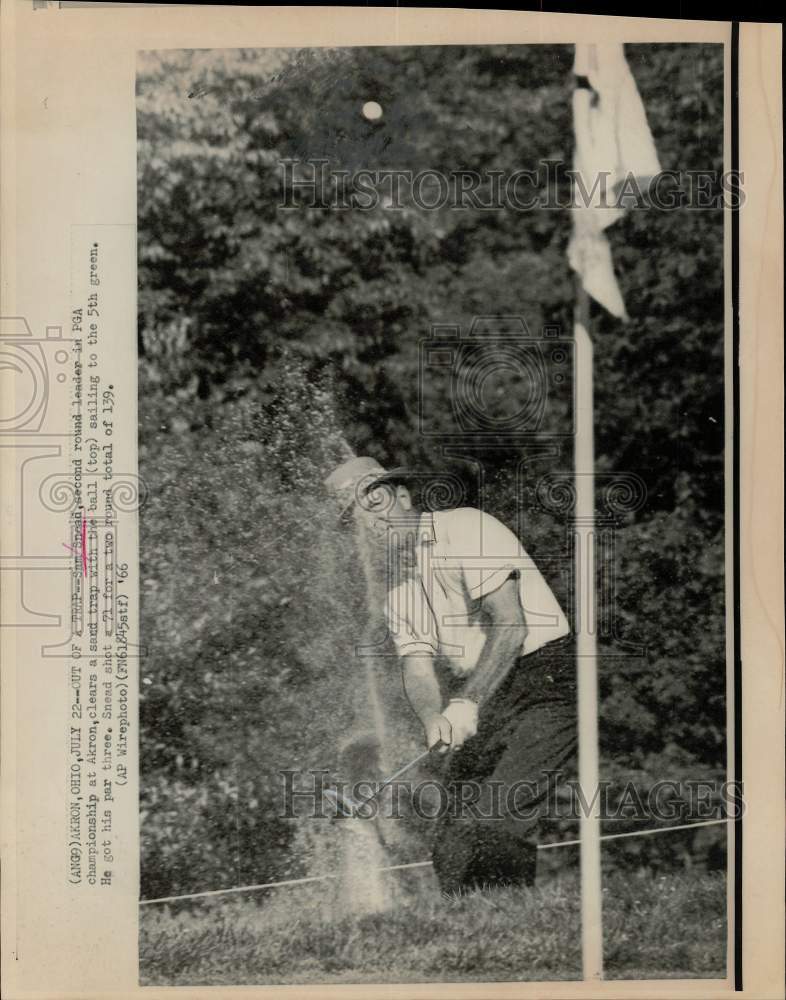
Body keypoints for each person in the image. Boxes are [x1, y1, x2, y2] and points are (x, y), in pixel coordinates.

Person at [325, 455, 576, 894]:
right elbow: (417, 667)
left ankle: (513, 928)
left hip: (542, 680)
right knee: (453, 846)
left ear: (403, 495)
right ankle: (478, 941)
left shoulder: (466, 528)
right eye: (357, 518)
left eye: (375, 503)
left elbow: (511, 625)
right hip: (482, 689)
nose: (372, 523)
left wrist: (466, 704)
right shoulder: (394, 587)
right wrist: (433, 721)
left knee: (498, 819)